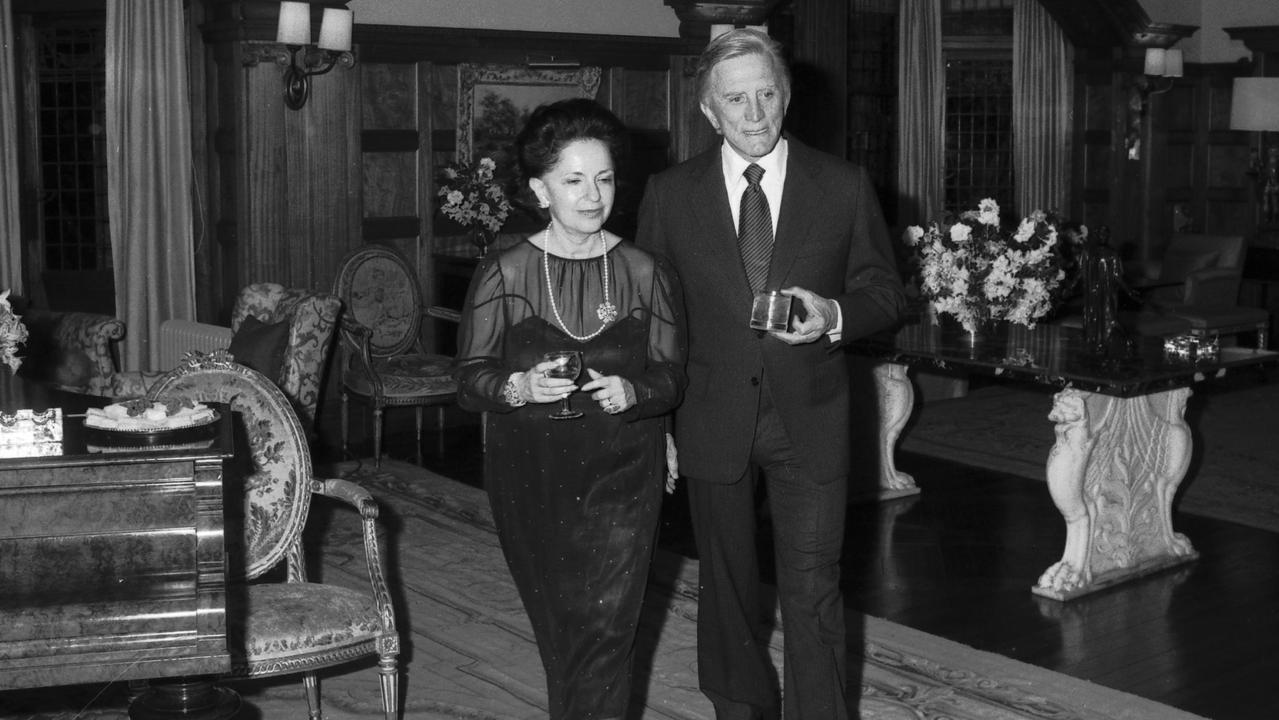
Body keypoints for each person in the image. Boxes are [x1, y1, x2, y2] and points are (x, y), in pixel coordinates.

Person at [636, 29, 906, 720]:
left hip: (809, 417)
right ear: (708, 111)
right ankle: (738, 707)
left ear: (785, 96)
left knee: (812, 586)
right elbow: (652, 322)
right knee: (725, 587)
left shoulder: (840, 185)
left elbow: (884, 292)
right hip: (708, 414)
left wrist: (835, 315)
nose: (753, 115)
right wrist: (656, 423)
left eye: (765, 95)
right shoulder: (669, 195)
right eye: (735, 100)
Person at [454, 97, 686, 720]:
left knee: (608, 630)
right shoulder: (504, 272)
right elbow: (469, 377)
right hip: (531, 473)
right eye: (574, 180)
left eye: (604, 179)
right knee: (563, 634)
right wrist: (518, 387)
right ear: (539, 189)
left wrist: (635, 393)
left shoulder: (645, 272)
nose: (592, 196)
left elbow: (671, 376)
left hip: (623, 473)